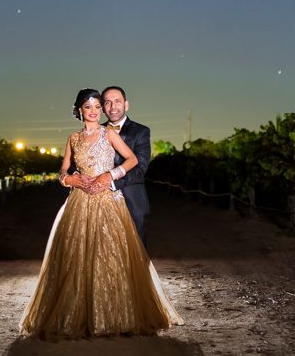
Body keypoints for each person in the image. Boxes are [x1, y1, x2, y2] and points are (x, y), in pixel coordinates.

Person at [19, 89, 182, 340]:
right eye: (89, 106)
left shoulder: (111, 134)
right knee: (78, 258)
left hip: (109, 202)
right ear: (79, 111)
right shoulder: (73, 139)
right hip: (79, 203)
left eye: (98, 105)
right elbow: (62, 172)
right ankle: (80, 316)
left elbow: (133, 161)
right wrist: (70, 179)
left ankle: (119, 316)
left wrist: (110, 176)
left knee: (114, 258)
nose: (95, 110)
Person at [87, 86, 152, 246]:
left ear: (126, 104)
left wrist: (111, 181)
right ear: (103, 108)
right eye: (107, 102)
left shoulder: (141, 131)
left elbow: (140, 167)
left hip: (132, 199)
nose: (113, 106)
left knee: (135, 250)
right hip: (99, 200)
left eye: (117, 101)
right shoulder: (95, 131)